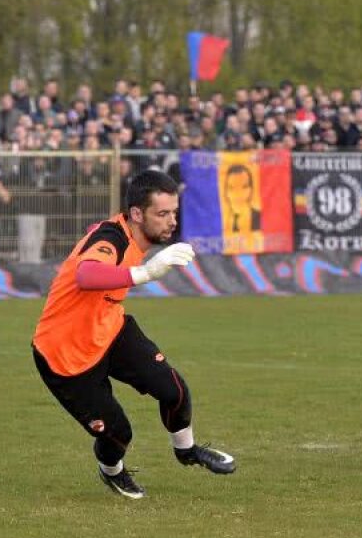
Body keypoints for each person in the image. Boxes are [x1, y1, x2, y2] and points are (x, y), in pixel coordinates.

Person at [31, 170, 236, 499]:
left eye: (174, 213)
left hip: (109, 328)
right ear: (137, 214)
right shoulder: (112, 237)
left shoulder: (125, 234)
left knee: (174, 391)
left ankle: (187, 451)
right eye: (162, 214)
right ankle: (112, 471)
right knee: (118, 436)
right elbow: (86, 274)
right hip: (65, 353)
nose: (171, 222)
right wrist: (146, 272)